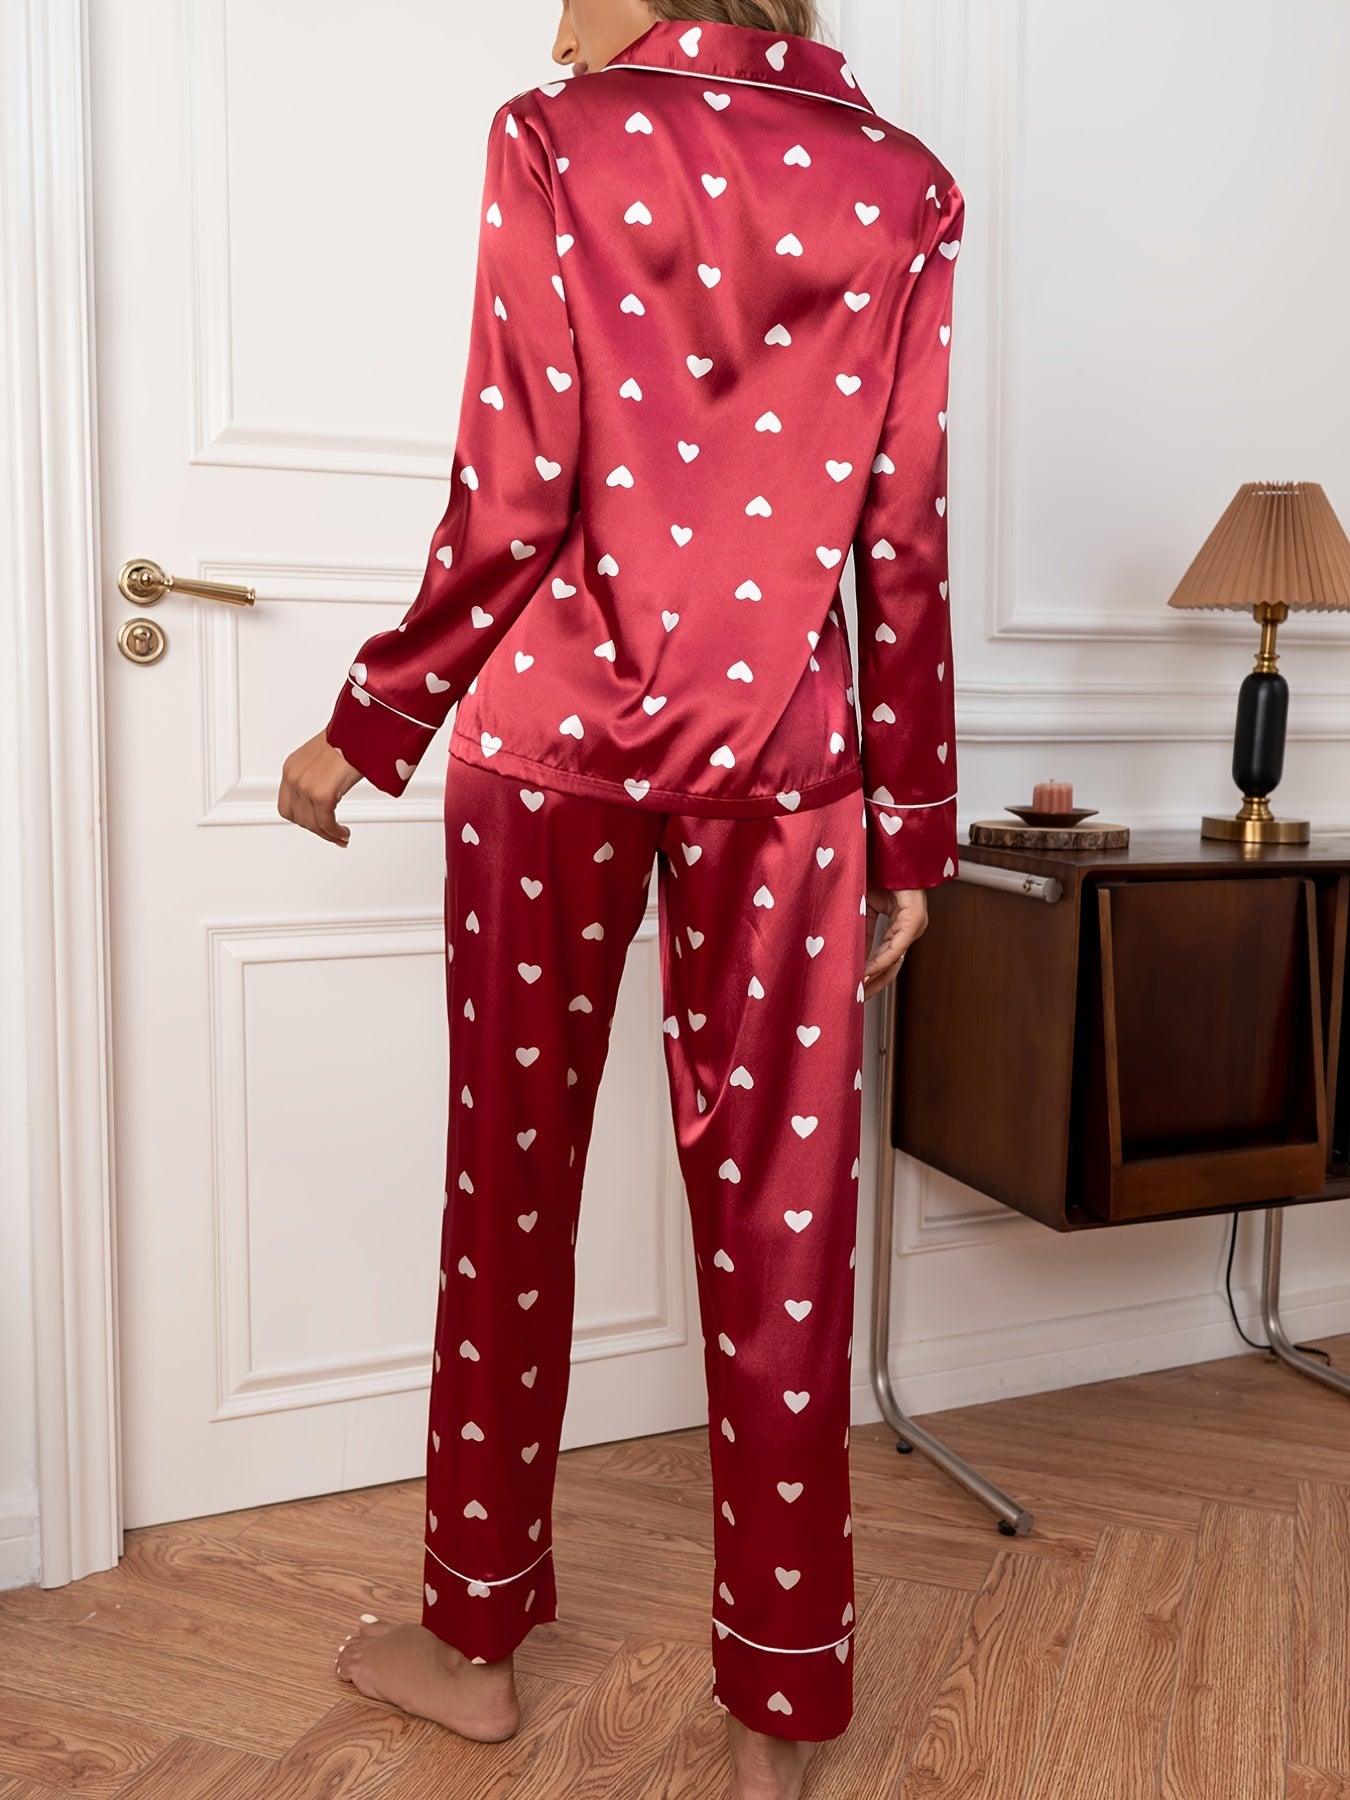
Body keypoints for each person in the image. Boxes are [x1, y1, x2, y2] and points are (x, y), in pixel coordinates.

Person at [278, 1, 963, 1794]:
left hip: (552, 736)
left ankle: (474, 1642)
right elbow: (898, 532)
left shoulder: (551, 136)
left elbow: (513, 488)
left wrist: (372, 720)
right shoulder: (899, 183)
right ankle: (778, 1725)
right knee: (787, 1231)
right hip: (791, 756)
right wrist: (912, 828)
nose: (550, 15)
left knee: (506, 1185)